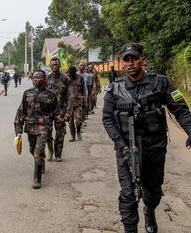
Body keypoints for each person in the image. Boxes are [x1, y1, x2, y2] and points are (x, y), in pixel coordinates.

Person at [102, 43, 191, 233]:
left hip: (155, 146)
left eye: (134, 58)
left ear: (143, 60)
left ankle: (150, 210)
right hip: (126, 148)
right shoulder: (114, 89)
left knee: (154, 191)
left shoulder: (161, 83)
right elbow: (107, 119)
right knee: (128, 193)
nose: (131, 63)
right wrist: (121, 145)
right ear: (122, 64)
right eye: (126, 60)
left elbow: (180, 109)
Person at [14, 70, 59, 189]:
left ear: (44, 79)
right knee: (32, 150)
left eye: (39, 77)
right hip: (30, 127)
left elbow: (56, 113)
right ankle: (41, 163)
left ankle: (37, 178)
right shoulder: (27, 93)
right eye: (34, 77)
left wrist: (60, 127)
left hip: (44, 127)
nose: (36, 79)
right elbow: (21, 112)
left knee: (38, 152)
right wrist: (18, 130)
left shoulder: (51, 95)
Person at [46, 57, 70, 162]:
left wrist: (68, 112)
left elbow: (70, 96)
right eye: (53, 64)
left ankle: (58, 154)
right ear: (50, 66)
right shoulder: (46, 78)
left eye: (56, 64)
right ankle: (50, 151)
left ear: (59, 65)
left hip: (60, 111)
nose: (55, 66)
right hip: (47, 111)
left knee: (60, 134)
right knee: (47, 132)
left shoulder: (65, 79)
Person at [67, 66, 86, 141]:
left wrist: (85, 101)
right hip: (69, 104)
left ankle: (78, 132)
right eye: (70, 74)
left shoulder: (80, 78)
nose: (71, 75)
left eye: (73, 74)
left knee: (78, 119)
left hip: (78, 102)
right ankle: (72, 136)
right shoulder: (66, 79)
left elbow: (83, 90)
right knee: (70, 121)